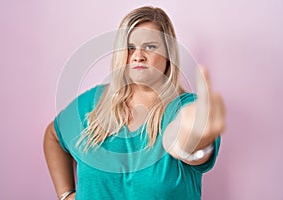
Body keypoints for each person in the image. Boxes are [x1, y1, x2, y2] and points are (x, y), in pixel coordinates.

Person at [44, 6, 225, 200]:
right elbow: (53, 136)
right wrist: (65, 195)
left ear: (168, 54)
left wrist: (192, 140)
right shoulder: (94, 101)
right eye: (130, 48)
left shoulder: (187, 109)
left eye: (150, 46)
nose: (138, 55)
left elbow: (186, 142)